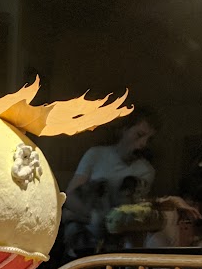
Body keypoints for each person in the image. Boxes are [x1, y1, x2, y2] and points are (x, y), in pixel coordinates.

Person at [62, 108, 160, 256]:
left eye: (149, 140)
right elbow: (69, 197)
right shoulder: (95, 155)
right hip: (83, 240)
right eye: (139, 135)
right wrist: (92, 217)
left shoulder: (146, 170)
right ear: (124, 130)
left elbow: (132, 214)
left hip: (116, 245)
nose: (143, 144)